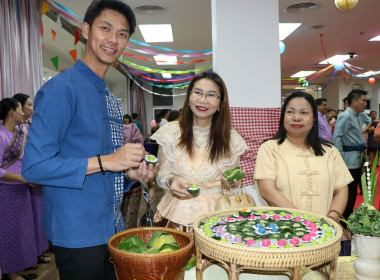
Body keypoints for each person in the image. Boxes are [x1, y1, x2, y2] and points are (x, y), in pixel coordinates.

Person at [21, 1, 158, 280]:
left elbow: (105, 166)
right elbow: (34, 168)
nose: (113, 39)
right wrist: (108, 161)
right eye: (105, 28)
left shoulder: (108, 97)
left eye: (122, 34)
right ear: (85, 30)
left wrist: (129, 173)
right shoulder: (60, 89)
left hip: (112, 226)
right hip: (77, 234)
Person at [151, 71, 248, 235]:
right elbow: (162, 175)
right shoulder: (170, 133)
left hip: (217, 220)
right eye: (198, 93)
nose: (203, 100)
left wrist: (232, 183)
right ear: (189, 96)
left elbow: (234, 179)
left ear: (220, 102)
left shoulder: (231, 139)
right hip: (174, 216)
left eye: (211, 95)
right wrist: (171, 180)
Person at [255, 92, 351, 221]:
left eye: (304, 112)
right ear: (283, 116)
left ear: (314, 118)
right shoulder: (269, 148)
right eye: (290, 112)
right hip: (284, 230)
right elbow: (267, 191)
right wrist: (304, 221)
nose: (296, 117)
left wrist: (331, 218)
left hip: (324, 231)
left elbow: (341, 190)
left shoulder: (330, 151)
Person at [0, 98, 39, 280]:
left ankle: (18, 267)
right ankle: (10, 273)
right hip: (6, 191)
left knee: (22, 232)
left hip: (22, 190)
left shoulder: (19, 132)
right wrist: (22, 178)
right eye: (20, 109)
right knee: (9, 233)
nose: (24, 113)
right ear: (11, 112)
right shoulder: (1, 135)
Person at [13, 93, 50, 268]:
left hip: (37, 173)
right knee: (31, 218)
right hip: (24, 178)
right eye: (27, 105)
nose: (31, 108)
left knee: (39, 214)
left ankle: (40, 250)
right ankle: (32, 254)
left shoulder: (29, 125)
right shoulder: (15, 129)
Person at [333, 89, 367, 220]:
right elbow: (337, 137)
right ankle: (344, 219)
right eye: (363, 100)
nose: (365, 104)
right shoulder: (346, 116)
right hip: (349, 161)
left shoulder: (357, 116)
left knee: (353, 192)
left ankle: (348, 216)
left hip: (358, 158)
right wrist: (339, 160)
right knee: (349, 192)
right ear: (354, 101)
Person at [121, 114, 145, 229]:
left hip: (132, 184)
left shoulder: (131, 129)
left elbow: (141, 153)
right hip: (107, 189)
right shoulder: (131, 130)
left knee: (129, 225)